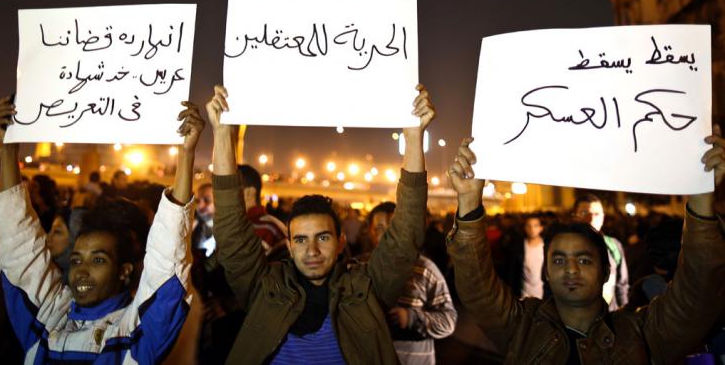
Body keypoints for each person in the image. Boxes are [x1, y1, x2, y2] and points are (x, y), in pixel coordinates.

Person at [445, 130, 725, 364]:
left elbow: (695, 295)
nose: (570, 269)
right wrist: (469, 203)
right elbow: (477, 288)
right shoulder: (522, 328)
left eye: (584, 260)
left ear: (606, 270)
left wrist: (701, 200)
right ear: (545, 273)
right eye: (558, 260)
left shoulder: (640, 333)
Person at [206, 83, 434, 364]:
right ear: (288, 246)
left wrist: (413, 137)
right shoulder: (264, 288)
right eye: (301, 240)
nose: (311, 250)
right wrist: (221, 133)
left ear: (340, 243)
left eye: (323, 238)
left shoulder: (367, 291)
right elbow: (231, 231)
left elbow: (405, 236)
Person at [0, 96, 203, 363]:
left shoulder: (134, 334)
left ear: (124, 270)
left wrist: (185, 155)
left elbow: (167, 264)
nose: (82, 270)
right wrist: (9, 149)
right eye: (76, 259)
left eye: (98, 260)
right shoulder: (49, 318)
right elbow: (19, 246)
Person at [366, 201, 457, 365]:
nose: (386, 234)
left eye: (393, 227)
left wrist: (410, 318)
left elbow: (448, 321)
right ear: (370, 233)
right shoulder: (360, 270)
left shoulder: (425, 269)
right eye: (379, 229)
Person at [573, 193, 630, 310]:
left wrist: (624, 313)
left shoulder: (614, 246)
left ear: (603, 217)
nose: (591, 218)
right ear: (575, 216)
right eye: (584, 213)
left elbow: (621, 286)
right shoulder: (564, 247)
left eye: (596, 214)